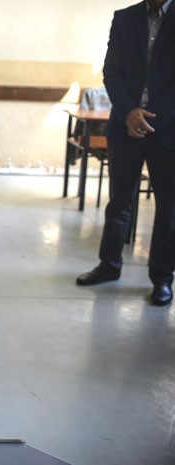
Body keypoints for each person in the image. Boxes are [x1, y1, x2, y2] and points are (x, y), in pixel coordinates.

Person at [76, 0, 175, 307]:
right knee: (119, 200)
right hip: (124, 125)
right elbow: (112, 71)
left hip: (167, 127)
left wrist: (150, 115)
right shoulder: (125, 17)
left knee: (169, 208)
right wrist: (129, 111)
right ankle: (109, 265)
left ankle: (162, 278)